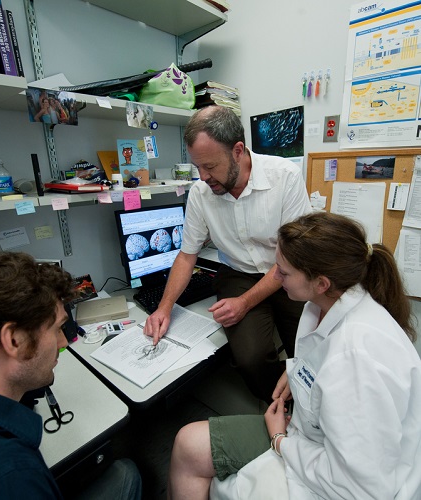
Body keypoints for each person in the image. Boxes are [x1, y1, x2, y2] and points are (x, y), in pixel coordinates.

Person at [167, 211, 421, 500]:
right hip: (313, 440)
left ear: (321, 282)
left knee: (208, 474)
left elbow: (359, 487)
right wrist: (299, 372)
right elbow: (323, 359)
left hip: (338, 482)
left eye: (283, 272)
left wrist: (280, 441)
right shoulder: (322, 304)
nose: (274, 277)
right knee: (187, 442)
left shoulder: (356, 360)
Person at [0, 252, 142, 500]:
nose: (64, 343)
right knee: (126, 473)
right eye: (58, 328)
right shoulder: (11, 475)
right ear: (14, 340)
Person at [144, 105, 312, 404]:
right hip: (238, 274)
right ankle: (281, 407)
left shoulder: (285, 177)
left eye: (210, 166)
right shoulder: (200, 193)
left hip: (290, 270)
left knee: (310, 347)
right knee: (251, 358)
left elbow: (295, 258)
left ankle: (311, 409)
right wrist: (164, 308)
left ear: (237, 150)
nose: (203, 176)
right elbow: (187, 255)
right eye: (197, 167)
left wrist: (245, 304)